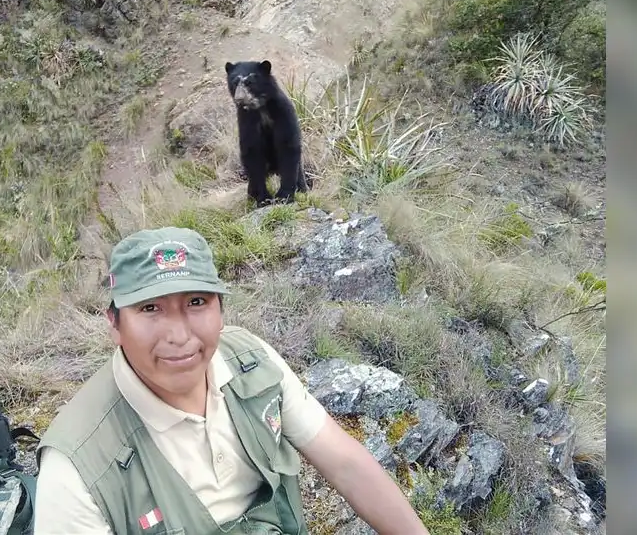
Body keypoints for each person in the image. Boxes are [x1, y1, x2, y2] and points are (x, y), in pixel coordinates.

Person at [33, 226, 430, 534]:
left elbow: (346, 464)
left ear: (221, 310)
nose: (178, 335)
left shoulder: (251, 362)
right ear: (115, 324)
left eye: (195, 302)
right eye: (150, 308)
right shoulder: (77, 467)